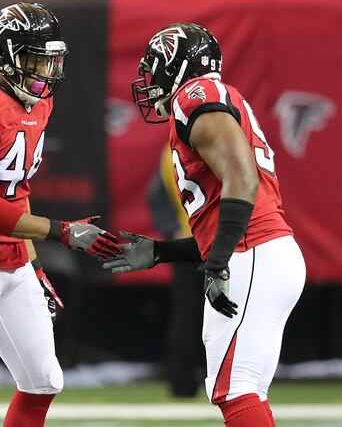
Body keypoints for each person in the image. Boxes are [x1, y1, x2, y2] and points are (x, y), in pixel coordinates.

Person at [0, 3, 121, 426]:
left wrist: (34, 267)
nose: (46, 72)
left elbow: (17, 194)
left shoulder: (38, 103)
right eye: (37, 60)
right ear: (6, 53)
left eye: (52, 60)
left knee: (44, 380)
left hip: (14, 258)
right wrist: (62, 232)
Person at [104, 23, 305, 426]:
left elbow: (243, 181)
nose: (152, 81)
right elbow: (229, 209)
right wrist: (162, 252)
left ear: (180, 67)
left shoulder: (195, 96)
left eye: (157, 69)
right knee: (241, 390)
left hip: (253, 252)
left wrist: (219, 262)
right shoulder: (213, 100)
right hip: (264, 251)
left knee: (236, 390)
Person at [147, 145, 204, 397]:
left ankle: (190, 380)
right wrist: (172, 230)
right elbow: (156, 196)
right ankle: (184, 381)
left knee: (193, 315)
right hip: (199, 245)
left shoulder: (169, 153)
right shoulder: (172, 153)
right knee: (189, 316)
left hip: (201, 243)